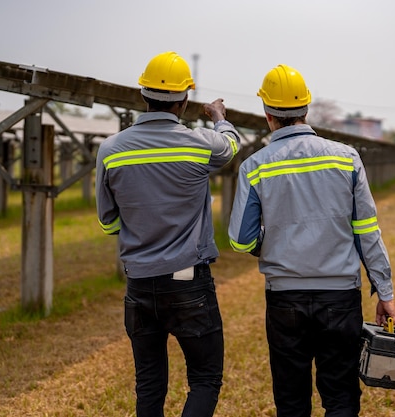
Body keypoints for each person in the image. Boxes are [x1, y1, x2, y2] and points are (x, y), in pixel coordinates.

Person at [228, 64, 395, 417]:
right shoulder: (347, 158)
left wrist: (270, 243)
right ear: (307, 107)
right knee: (340, 398)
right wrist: (385, 293)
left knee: (291, 401)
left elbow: (240, 241)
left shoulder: (255, 166)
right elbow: (367, 230)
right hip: (341, 298)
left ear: (267, 114)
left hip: (284, 300)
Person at [95, 51, 241, 417]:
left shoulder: (110, 150)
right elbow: (232, 145)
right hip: (189, 279)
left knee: (149, 384)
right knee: (205, 379)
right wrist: (220, 117)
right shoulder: (200, 144)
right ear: (185, 100)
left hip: (139, 283)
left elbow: (108, 222)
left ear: (142, 95)